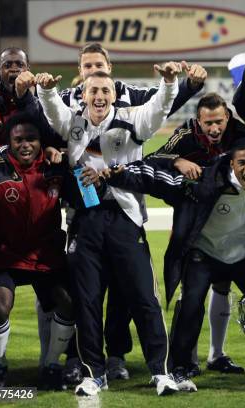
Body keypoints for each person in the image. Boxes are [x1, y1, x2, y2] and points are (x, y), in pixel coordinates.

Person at [47, 42, 207, 383]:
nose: (100, 93)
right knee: (87, 302)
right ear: (83, 90)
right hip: (84, 219)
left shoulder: (132, 118)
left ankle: (160, 372)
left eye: (105, 88)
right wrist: (45, 91)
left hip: (125, 217)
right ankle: (94, 374)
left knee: (143, 297)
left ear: (113, 90)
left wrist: (168, 84)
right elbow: (49, 111)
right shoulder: (71, 120)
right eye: (93, 89)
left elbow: (159, 110)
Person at [101, 138, 245, 390]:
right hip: (205, 252)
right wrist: (120, 177)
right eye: (242, 163)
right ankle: (180, 367)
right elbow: (156, 180)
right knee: (190, 305)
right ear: (231, 164)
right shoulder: (205, 180)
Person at [0, 113, 83, 390]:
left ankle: (51, 364)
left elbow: (85, 198)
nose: (25, 145)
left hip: (46, 254)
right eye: (18, 139)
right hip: (4, 254)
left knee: (69, 302)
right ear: (8, 142)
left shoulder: (55, 169)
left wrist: (75, 166)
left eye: (31, 139)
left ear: (40, 141)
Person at [150, 92, 245, 378]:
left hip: (236, 228)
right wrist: (177, 162)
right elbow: (154, 158)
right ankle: (186, 361)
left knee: (227, 288)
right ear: (198, 120)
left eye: (219, 121)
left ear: (228, 117)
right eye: (208, 123)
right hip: (196, 230)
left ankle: (217, 355)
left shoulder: (242, 134)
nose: (214, 129)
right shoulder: (185, 134)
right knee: (191, 295)